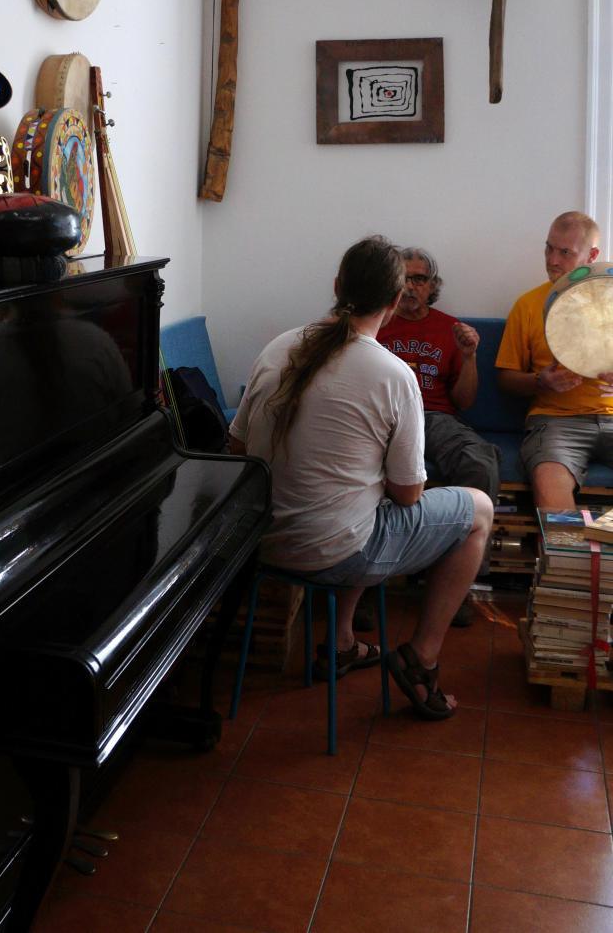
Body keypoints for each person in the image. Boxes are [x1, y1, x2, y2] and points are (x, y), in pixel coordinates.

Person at [228, 235, 492, 720]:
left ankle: (343, 643)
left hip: (261, 544)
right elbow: (409, 494)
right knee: (479, 510)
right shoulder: (393, 374)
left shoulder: (277, 346)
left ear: (336, 286)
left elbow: (237, 449)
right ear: (394, 301)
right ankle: (422, 659)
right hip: (335, 553)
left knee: (360, 503)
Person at [377, 247, 500, 626]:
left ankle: (462, 583)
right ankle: (363, 584)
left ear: (433, 286)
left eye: (419, 279)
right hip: (387, 416)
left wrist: (469, 356)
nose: (410, 287)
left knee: (480, 460)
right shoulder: (376, 322)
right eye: (403, 278)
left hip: (435, 418)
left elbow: (464, 402)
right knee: (359, 462)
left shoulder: (452, 329)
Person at [496, 211, 613, 509]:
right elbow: (505, 380)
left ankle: (600, 540)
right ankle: (567, 541)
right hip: (556, 421)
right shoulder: (527, 305)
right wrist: (540, 382)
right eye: (549, 248)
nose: (552, 260)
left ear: (592, 256)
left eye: (565, 252)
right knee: (551, 491)